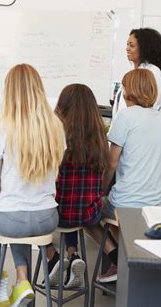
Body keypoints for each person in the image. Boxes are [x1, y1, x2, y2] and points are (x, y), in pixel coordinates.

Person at [0, 64, 65, 307]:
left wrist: (6, 202)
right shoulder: (54, 126)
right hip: (48, 217)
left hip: (14, 218)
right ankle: (22, 282)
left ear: (10, 91)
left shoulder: (1, 126)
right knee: (19, 222)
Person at [92, 68, 161, 283]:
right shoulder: (159, 119)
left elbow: (111, 162)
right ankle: (126, 260)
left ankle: (117, 260)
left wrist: (100, 192)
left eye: (123, 86)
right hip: (154, 204)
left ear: (129, 91)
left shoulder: (125, 116)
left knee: (88, 212)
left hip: (126, 203)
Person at [43, 84, 110, 288]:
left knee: (40, 211)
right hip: (89, 213)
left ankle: (53, 257)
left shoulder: (56, 138)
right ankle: (73, 256)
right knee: (74, 206)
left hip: (60, 213)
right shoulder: (100, 138)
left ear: (62, 105)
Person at [112, 28, 161, 117]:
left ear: (144, 48)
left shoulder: (153, 72)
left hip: (135, 127)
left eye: (132, 45)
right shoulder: (132, 72)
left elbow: (149, 107)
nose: (127, 48)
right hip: (125, 125)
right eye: (127, 44)